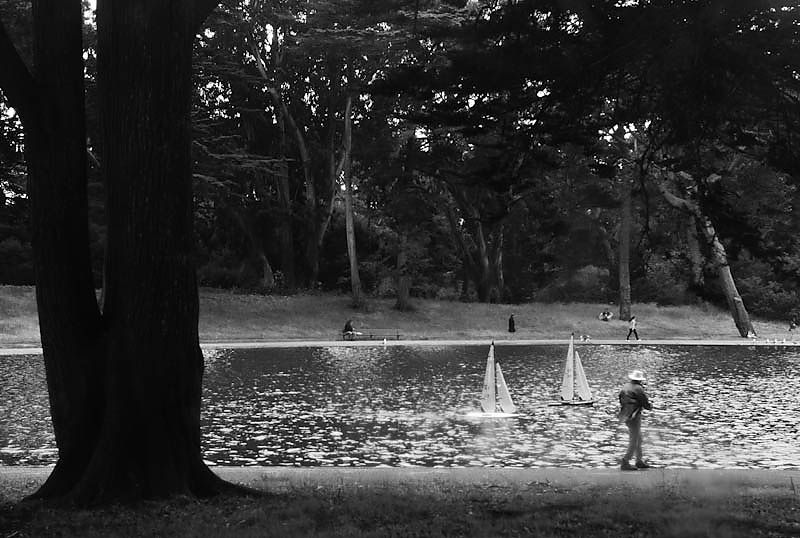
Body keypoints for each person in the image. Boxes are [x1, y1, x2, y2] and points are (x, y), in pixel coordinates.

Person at [618, 369, 652, 470]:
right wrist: (650, 406)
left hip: (625, 415)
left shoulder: (625, 386)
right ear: (640, 380)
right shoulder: (638, 389)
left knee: (638, 437)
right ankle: (625, 461)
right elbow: (645, 403)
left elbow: (621, 399)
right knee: (634, 439)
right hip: (634, 415)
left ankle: (639, 460)